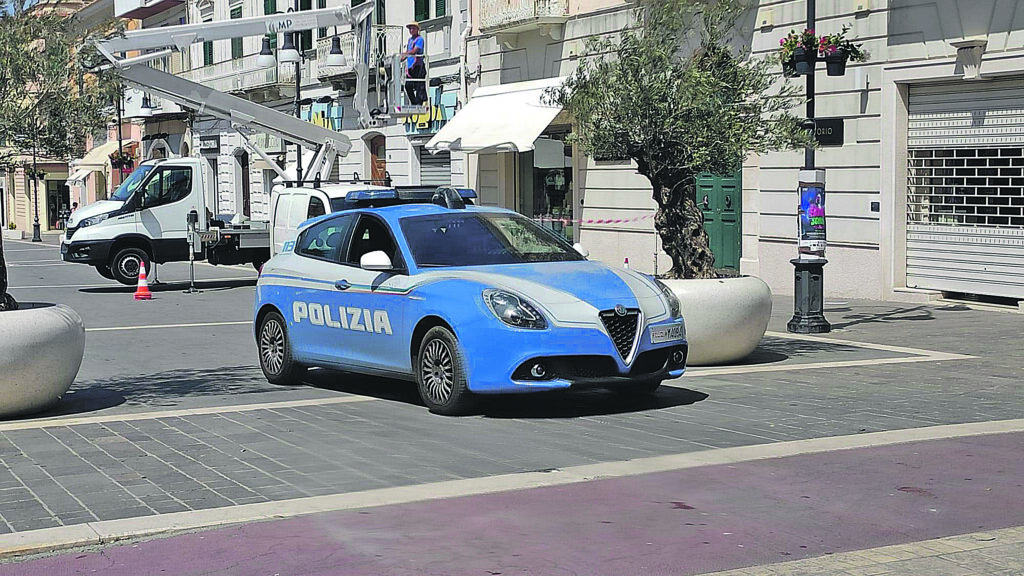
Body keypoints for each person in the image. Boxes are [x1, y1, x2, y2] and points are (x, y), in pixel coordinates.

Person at [401, 22, 427, 106]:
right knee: (408, 86)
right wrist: (401, 58)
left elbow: (414, 51)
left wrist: (404, 55)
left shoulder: (419, 39)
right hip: (410, 67)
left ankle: (419, 102)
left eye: (413, 28)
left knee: (419, 85)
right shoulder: (410, 40)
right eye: (410, 29)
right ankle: (414, 102)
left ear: (417, 29)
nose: (411, 30)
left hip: (417, 66)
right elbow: (409, 53)